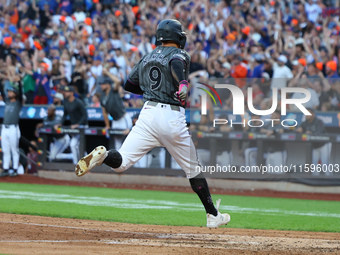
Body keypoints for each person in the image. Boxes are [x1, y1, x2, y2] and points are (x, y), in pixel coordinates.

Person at [75, 19, 230, 228]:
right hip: (171, 116)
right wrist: (183, 83)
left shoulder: (147, 56)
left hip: (147, 115)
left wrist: (150, 91)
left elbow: (129, 84)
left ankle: (103, 156)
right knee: (193, 170)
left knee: (121, 162)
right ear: (176, 36)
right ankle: (212, 215)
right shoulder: (180, 53)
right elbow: (176, 64)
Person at [98, 69, 132, 149]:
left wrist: (107, 72)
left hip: (123, 118)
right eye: (101, 84)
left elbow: (117, 81)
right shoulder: (102, 97)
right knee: (117, 143)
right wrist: (107, 125)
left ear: (108, 85)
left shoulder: (113, 90)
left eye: (103, 84)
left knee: (128, 140)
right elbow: (104, 112)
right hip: (115, 120)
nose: (101, 86)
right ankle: (119, 161)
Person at [56, 86, 88, 164]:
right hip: (74, 128)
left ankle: (81, 162)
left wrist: (78, 124)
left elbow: (85, 115)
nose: (65, 93)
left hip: (82, 126)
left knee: (75, 145)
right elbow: (65, 115)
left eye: (67, 92)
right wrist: (60, 123)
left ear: (72, 93)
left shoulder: (78, 102)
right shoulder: (66, 102)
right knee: (74, 145)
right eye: (65, 91)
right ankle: (77, 164)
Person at [296, 108, 332, 176]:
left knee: (325, 163)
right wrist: (299, 131)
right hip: (314, 146)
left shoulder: (319, 121)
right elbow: (296, 131)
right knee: (313, 164)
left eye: (308, 113)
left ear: (313, 114)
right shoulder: (304, 123)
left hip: (324, 144)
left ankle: (330, 179)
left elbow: (320, 132)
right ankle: (315, 180)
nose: (306, 115)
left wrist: (311, 133)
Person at [0, 82, 23, 177]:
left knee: (14, 149)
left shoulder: (18, 103)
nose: (9, 93)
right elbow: (2, 90)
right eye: (8, 92)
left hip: (13, 128)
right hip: (4, 128)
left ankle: (14, 169)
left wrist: (19, 83)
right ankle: (5, 168)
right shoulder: (7, 102)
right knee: (5, 150)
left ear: (15, 93)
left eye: (11, 92)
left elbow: (21, 94)